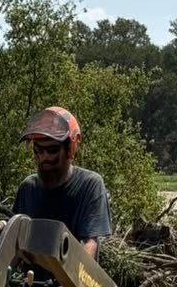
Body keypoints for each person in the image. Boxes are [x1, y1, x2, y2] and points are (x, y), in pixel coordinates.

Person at [11, 106, 111, 256]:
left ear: (70, 149)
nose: (44, 157)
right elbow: (14, 241)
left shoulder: (89, 185)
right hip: (31, 278)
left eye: (52, 150)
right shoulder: (28, 188)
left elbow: (90, 243)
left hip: (73, 276)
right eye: (38, 150)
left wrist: (75, 277)